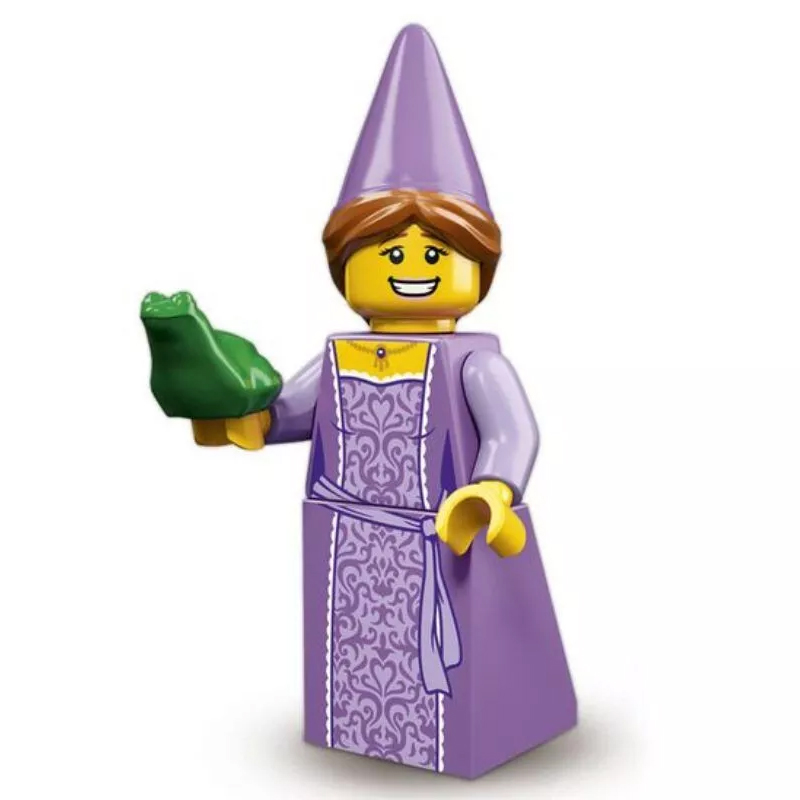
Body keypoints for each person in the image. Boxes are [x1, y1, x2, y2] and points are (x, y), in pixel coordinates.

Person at [188, 24, 576, 777]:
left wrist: (493, 491)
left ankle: (460, 739)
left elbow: (513, 433)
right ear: (347, 264)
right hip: (350, 537)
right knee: (355, 657)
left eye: (435, 253)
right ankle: (358, 730)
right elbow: (295, 410)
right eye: (390, 253)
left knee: (459, 677)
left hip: (447, 533)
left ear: (476, 265)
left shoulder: (475, 361)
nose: (412, 268)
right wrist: (242, 419)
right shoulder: (343, 353)